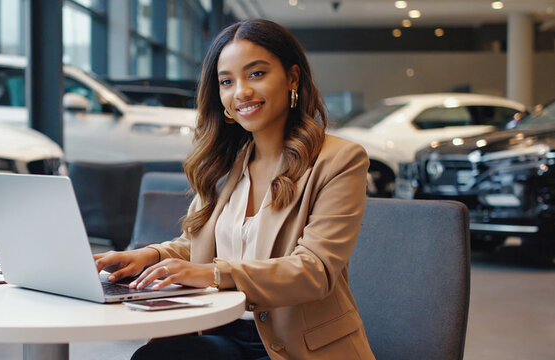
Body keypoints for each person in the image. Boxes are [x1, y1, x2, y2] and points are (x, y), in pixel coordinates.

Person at [93, 19, 375, 360]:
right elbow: (197, 246)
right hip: (220, 329)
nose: (241, 91)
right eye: (227, 81)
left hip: (296, 346)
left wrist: (214, 274)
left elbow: (315, 270)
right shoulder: (227, 164)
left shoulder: (340, 160)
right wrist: (149, 256)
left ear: (292, 78)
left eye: (256, 74)